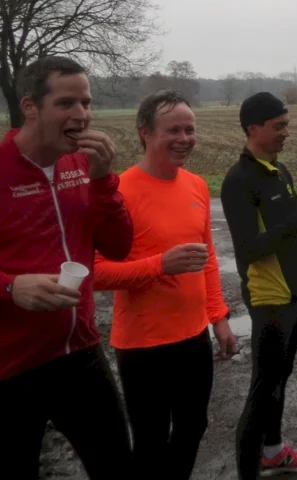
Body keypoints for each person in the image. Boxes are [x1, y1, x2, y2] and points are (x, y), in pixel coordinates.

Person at [0, 56, 134, 479]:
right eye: (66, 104)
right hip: (12, 364)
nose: (82, 115)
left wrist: (103, 180)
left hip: (81, 351)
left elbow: (118, 247)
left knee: (116, 466)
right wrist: (10, 287)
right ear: (30, 107)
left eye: (86, 103)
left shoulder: (81, 165)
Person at [94, 90, 238, 479]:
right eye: (173, 129)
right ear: (145, 133)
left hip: (192, 338)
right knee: (151, 442)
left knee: (194, 428)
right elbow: (95, 273)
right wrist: (159, 265)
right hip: (143, 345)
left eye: (190, 129)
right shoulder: (120, 192)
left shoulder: (197, 186)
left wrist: (218, 317)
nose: (185, 138)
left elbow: (207, 258)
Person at [221, 92, 297, 479]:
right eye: (279, 127)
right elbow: (250, 249)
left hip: (294, 290)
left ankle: (273, 452)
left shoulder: (279, 170)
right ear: (253, 129)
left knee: (279, 380)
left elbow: (296, 230)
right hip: (268, 294)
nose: (285, 133)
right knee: (261, 392)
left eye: (286, 125)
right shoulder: (240, 180)